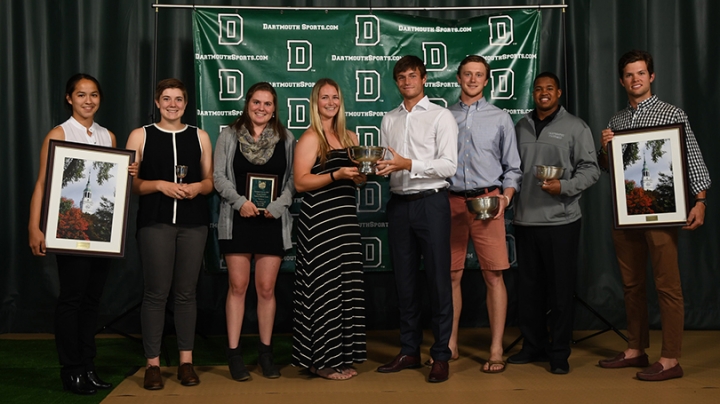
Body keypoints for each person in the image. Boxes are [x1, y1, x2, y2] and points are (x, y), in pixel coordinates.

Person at [596, 50, 710, 381]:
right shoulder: (616, 121)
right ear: (622, 81)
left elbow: (692, 158)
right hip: (627, 213)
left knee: (667, 286)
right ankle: (636, 349)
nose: (636, 79)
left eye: (641, 73)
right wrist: (605, 149)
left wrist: (700, 200)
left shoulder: (672, 113)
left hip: (662, 213)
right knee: (631, 285)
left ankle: (671, 358)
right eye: (629, 75)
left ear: (652, 76)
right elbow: (610, 170)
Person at [28, 73, 138, 395]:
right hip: (67, 232)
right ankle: (71, 369)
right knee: (72, 299)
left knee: (92, 301)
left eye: (93, 95)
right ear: (69, 98)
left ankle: (89, 366)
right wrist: (34, 227)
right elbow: (42, 183)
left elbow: (112, 188)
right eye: (80, 95)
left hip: (100, 236)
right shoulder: (59, 133)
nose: (88, 101)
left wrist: (128, 172)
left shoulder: (108, 136)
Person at [126, 78, 214, 390]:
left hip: (193, 223)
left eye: (178, 99)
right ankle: (152, 364)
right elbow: (131, 185)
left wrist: (196, 188)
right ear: (157, 102)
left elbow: (209, 182)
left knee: (187, 293)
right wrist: (160, 185)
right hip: (155, 222)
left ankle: (186, 362)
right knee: (156, 293)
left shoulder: (200, 136)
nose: (172, 104)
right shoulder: (141, 135)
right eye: (166, 98)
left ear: (186, 103)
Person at [508, 72, 599, 374]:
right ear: (532, 93)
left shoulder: (576, 127)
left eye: (549, 89)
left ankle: (559, 352)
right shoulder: (520, 126)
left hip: (561, 222)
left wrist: (564, 187)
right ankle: (533, 346)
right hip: (524, 221)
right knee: (529, 291)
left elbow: (591, 170)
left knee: (560, 292)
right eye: (538, 89)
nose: (543, 93)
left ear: (559, 93)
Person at [374, 55, 458, 383]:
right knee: (404, 283)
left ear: (424, 79)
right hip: (399, 204)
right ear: (396, 82)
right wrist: (373, 169)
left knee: (438, 281)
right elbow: (386, 161)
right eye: (401, 77)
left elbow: (449, 165)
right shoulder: (389, 119)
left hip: (432, 203)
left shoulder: (441, 116)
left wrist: (408, 164)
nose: (407, 81)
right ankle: (409, 350)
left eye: (413, 75)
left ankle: (440, 355)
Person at [213, 82, 295, 381]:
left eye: (268, 104)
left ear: (275, 109)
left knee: (266, 289)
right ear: (247, 104)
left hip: (272, 222)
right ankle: (234, 355)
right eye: (256, 102)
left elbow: (293, 181)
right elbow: (218, 176)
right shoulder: (228, 135)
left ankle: (265, 354)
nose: (261, 108)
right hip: (239, 220)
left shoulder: (286, 139)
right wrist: (239, 202)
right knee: (237, 286)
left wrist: (278, 206)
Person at [445, 55, 521, 373]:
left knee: (493, 275)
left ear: (487, 81)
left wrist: (505, 197)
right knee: (452, 275)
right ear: (458, 79)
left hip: (488, 202)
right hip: (450, 203)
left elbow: (513, 167)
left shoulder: (500, 118)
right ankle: (449, 344)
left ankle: (495, 348)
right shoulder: (444, 117)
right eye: (467, 74)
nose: (473, 79)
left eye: (479, 75)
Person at [292, 78, 367, 380]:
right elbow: (300, 182)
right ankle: (320, 362)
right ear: (315, 102)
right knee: (323, 290)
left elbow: (355, 176)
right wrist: (336, 174)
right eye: (324, 97)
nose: (330, 102)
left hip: (345, 222)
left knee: (344, 289)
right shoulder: (311, 137)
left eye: (335, 97)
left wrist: (358, 178)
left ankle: (341, 356)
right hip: (319, 224)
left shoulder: (350, 136)